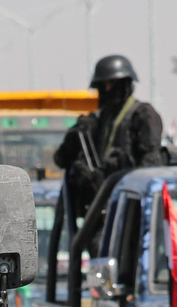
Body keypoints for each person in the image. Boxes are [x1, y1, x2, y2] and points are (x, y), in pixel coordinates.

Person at [53, 54, 167, 215]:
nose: (107, 89)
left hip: (132, 202)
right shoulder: (95, 120)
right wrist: (81, 167)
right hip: (100, 201)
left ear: (125, 84)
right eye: (104, 85)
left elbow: (150, 165)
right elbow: (61, 158)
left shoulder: (143, 115)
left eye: (112, 84)